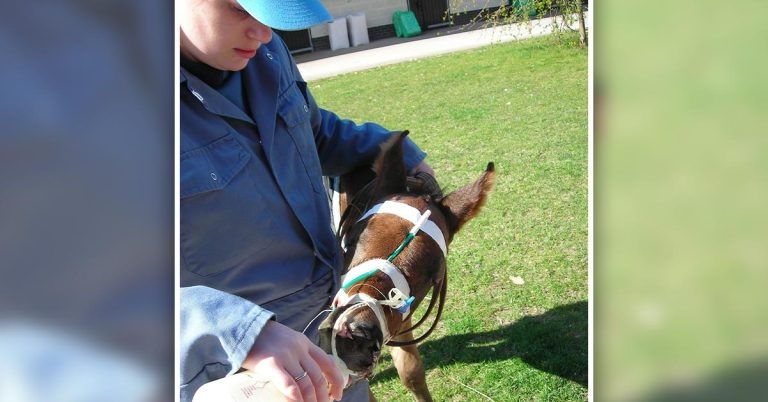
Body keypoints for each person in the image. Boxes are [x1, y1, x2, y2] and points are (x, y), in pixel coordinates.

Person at [178, 1, 435, 401]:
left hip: (335, 342)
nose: (264, 32)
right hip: (240, 379)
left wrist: (395, 150)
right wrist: (239, 330)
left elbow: (312, 134)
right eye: (240, 10)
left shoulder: (265, 53)